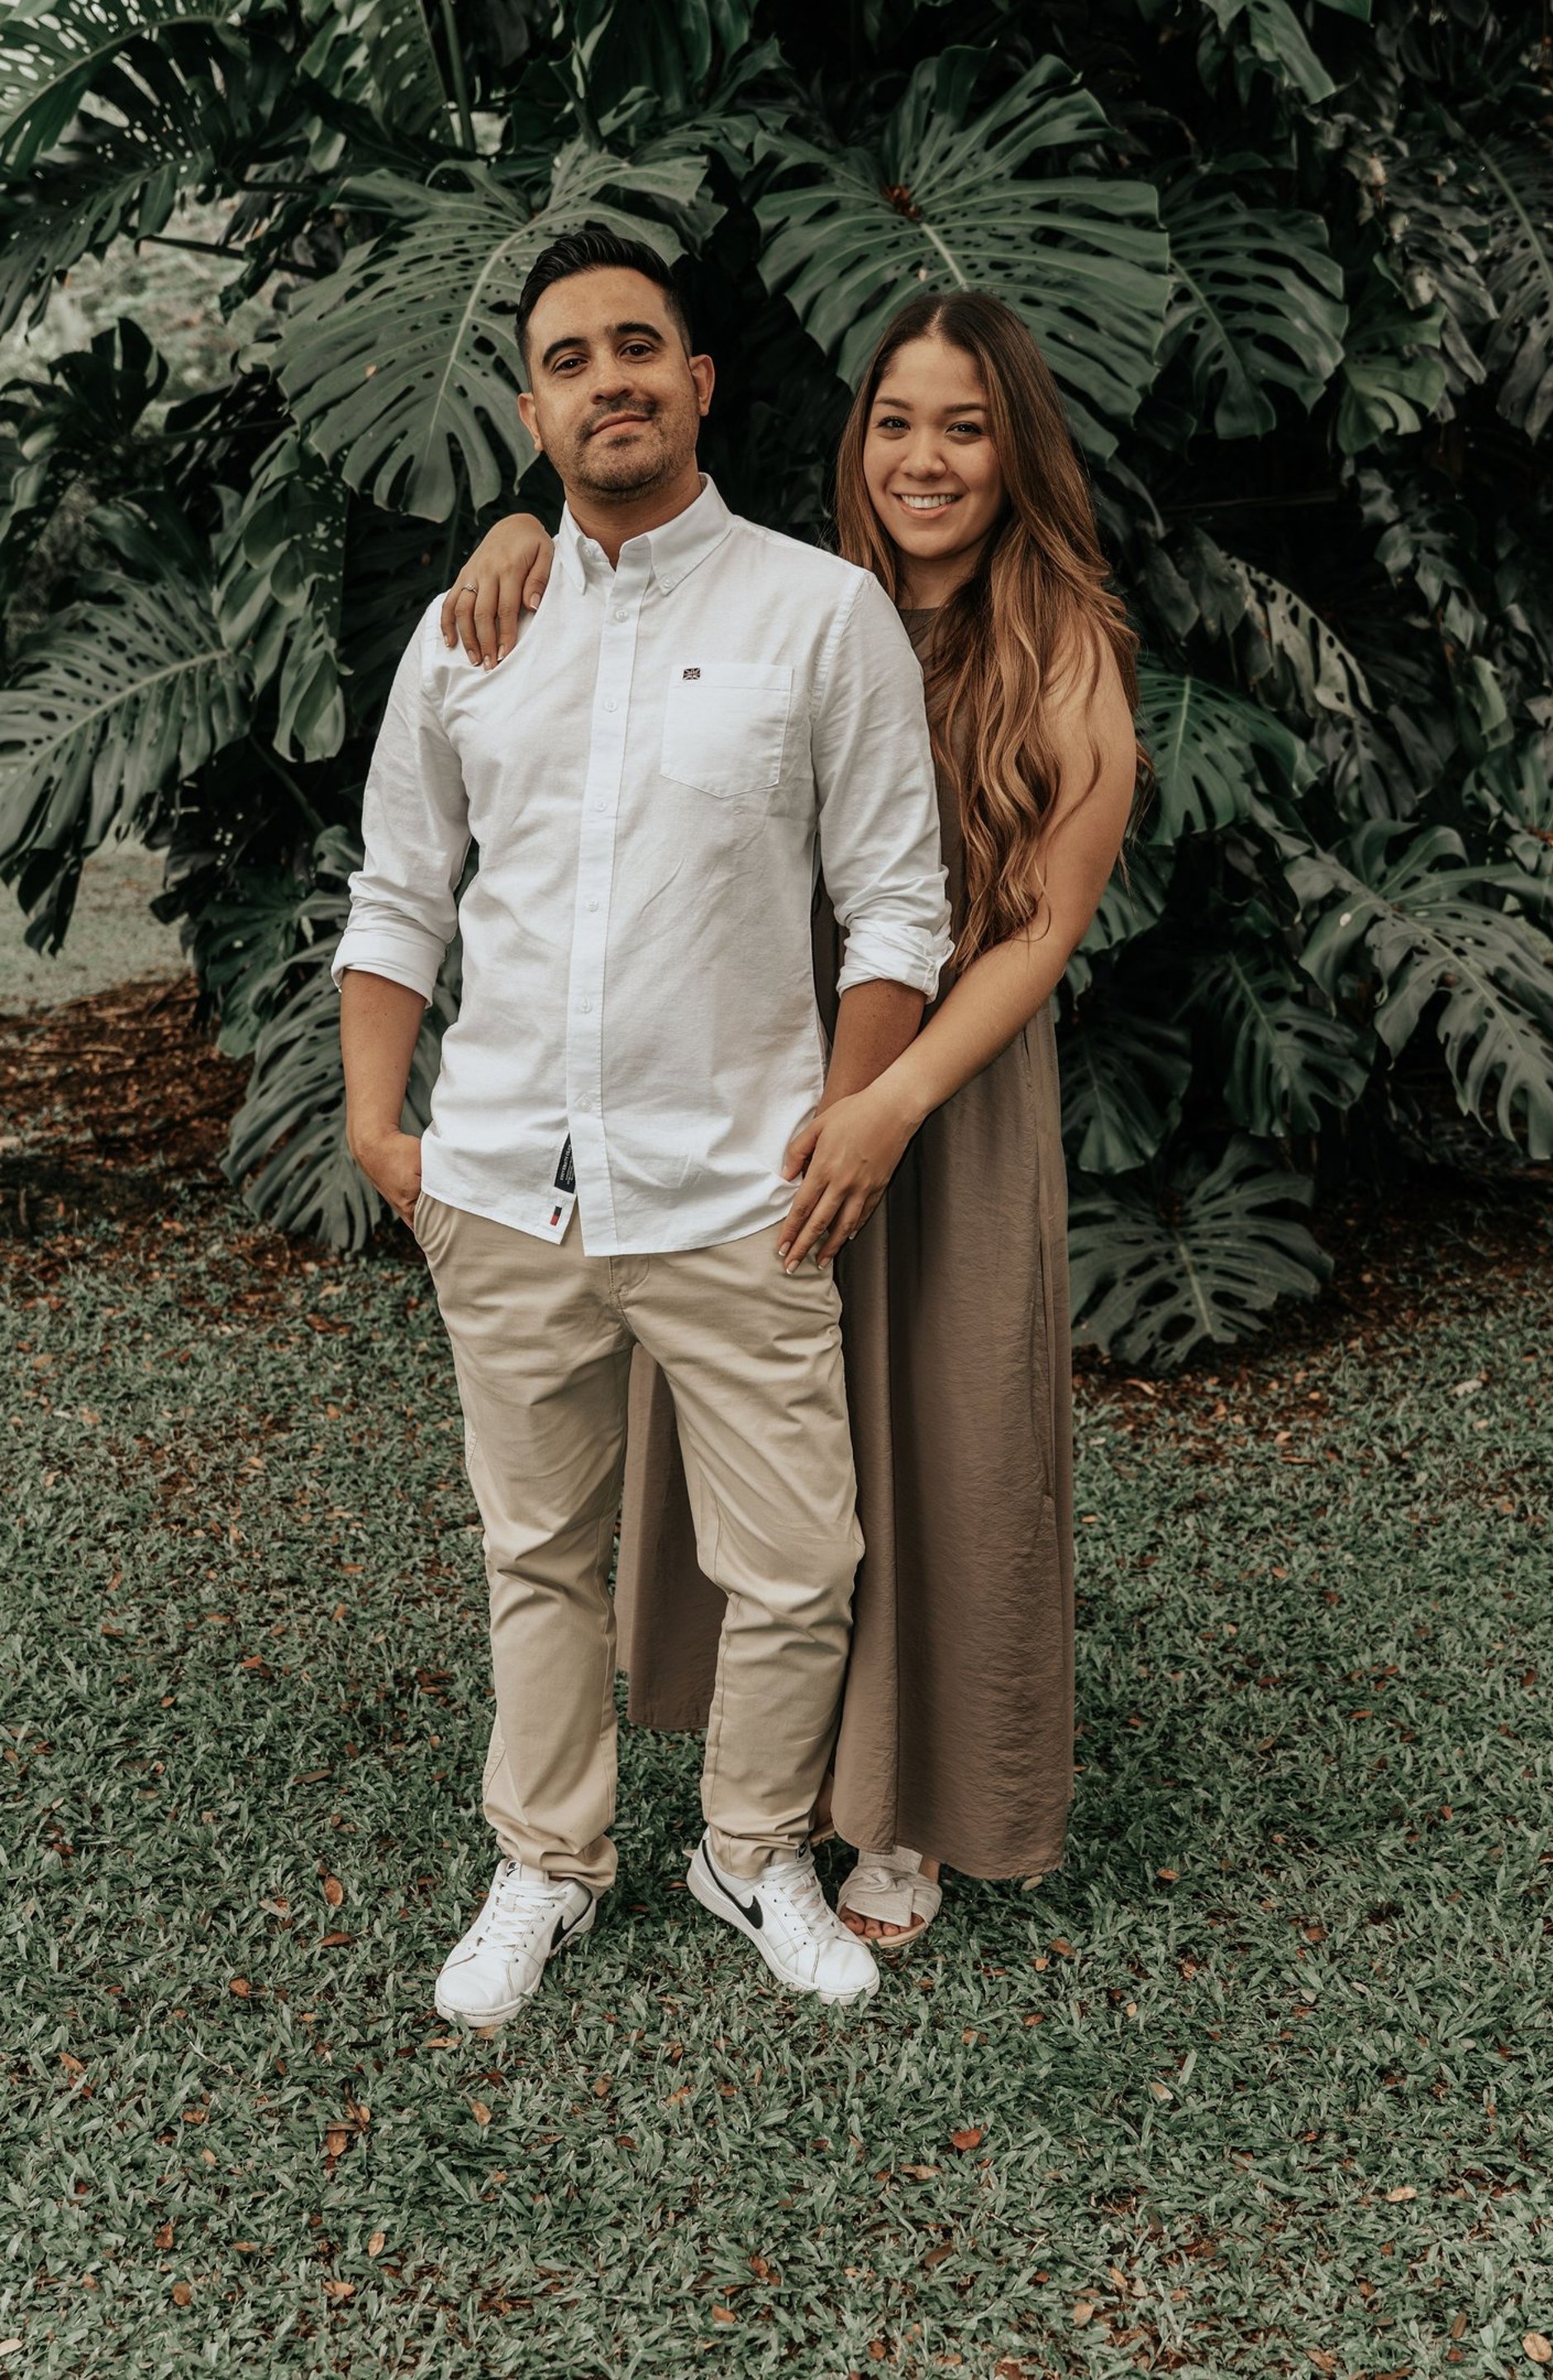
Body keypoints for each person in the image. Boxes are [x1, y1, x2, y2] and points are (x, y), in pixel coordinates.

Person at [444, 289, 1141, 1953]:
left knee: (942, 1434)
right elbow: (615, 550)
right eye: (895, 422)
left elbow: (1040, 932)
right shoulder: (784, 604)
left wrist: (890, 1099)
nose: (924, 457)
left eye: (965, 426)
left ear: (1018, 450)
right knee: (780, 1468)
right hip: (750, 1078)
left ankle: (902, 1812)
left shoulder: (1060, 650)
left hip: (937, 1096)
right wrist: (514, 528)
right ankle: (774, 1791)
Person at [335, 224, 954, 2026]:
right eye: (568, 359)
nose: (607, 377)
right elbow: (399, 897)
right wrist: (388, 1134)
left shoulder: (817, 613)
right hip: (505, 1181)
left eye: (638, 346)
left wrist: (853, 1120)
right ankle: (546, 1860)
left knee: (799, 1561)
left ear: (698, 381)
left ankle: (750, 1850)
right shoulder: (472, 635)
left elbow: (896, 905)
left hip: (737, 1188)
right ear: (531, 410)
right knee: (538, 1554)